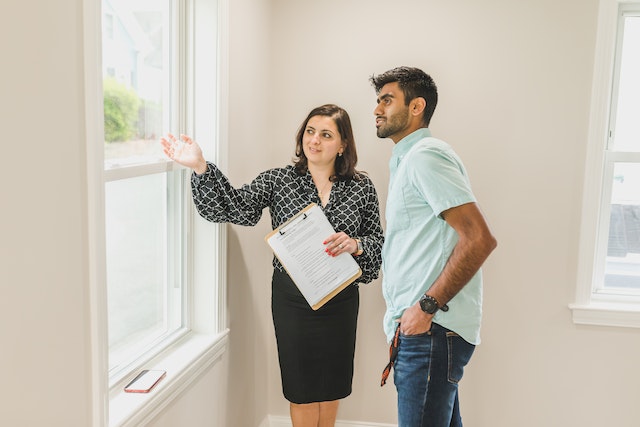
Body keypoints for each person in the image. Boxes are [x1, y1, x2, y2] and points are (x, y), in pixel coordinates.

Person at [161, 104, 383, 427]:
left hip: (340, 301)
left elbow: (377, 241)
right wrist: (200, 167)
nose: (314, 141)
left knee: (331, 386)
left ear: (343, 144)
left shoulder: (362, 188)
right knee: (302, 388)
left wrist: (356, 244)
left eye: (326, 134)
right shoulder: (279, 180)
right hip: (293, 302)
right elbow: (235, 208)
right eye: (310, 131)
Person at [370, 66, 497, 427]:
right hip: (422, 330)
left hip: (431, 330)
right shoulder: (407, 160)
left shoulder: (426, 155)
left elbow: (479, 239)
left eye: (387, 100)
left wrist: (425, 308)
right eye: (377, 101)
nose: (377, 110)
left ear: (416, 107)